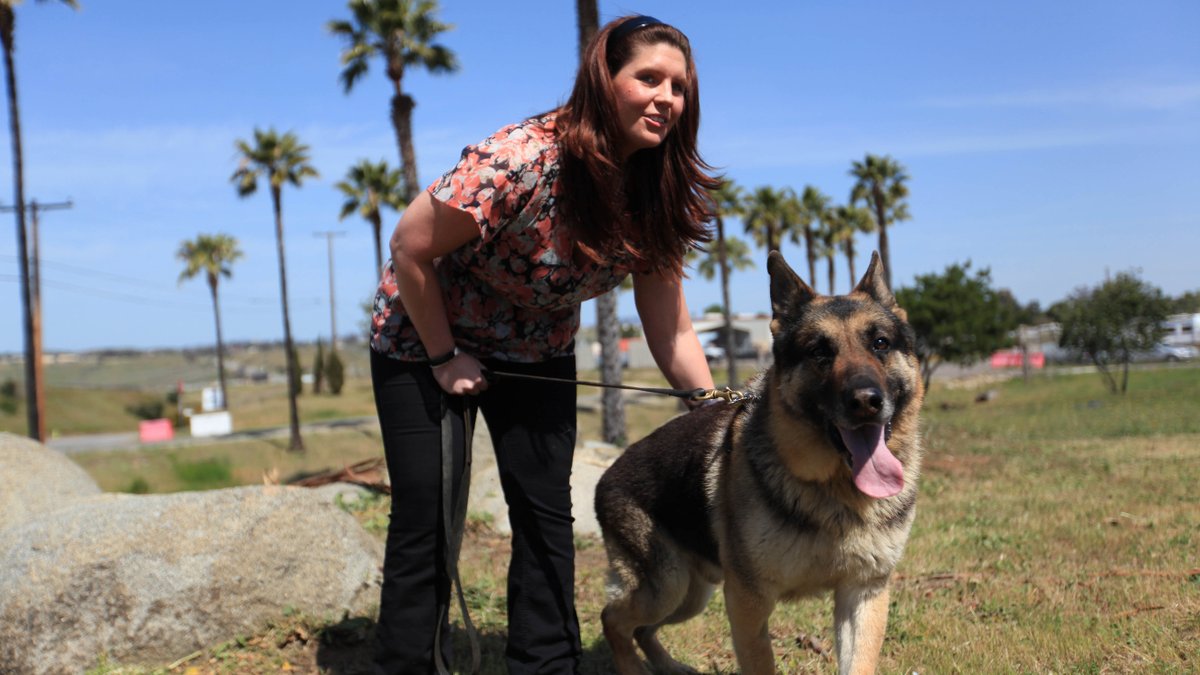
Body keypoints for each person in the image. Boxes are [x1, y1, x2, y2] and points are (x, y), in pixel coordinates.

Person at [368, 14, 718, 674]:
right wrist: (445, 357)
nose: (666, 98)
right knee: (427, 513)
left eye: (679, 86)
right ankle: (406, 662)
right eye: (648, 77)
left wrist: (707, 407)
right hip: (423, 333)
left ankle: (547, 664)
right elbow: (410, 246)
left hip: (537, 350)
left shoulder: (654, 188)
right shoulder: (521, 160)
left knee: (544, 512)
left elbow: (669, 325)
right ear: (602, 78)